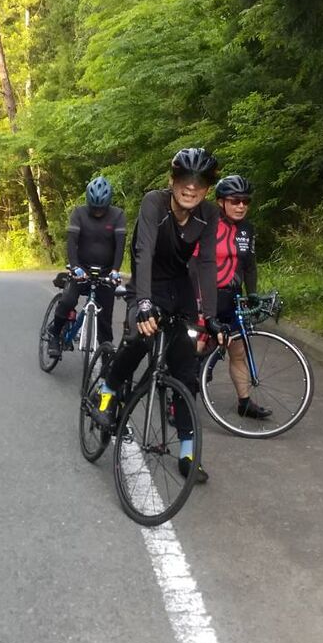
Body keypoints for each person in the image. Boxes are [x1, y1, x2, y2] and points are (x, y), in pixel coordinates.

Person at [88, 148, 224, 483]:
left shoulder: (209, 214)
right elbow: (144, 252)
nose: (191, 187)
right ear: (172, 180)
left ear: (207, 188)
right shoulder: (154, 203)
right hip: (148, 281)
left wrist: (210, 316)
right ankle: (107, 392)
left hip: (180, 286)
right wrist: (144, 303)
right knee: (139, 336)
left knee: (186, 370)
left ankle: (188, 453)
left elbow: (207, 263)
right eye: (185, 179)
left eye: (200, 182)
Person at [209, 174, 272, 420]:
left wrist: (252, 292)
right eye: (235, 201)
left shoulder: (247, 229)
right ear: (221, 202)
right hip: (208, 297)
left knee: (238, 352)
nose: (241, 206)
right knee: (199, 350)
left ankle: (244, 402)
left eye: (246, 201)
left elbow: (249, 265)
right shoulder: (208, 225)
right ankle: (178, 400)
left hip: (233, 299)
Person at [48, 176, 126, 356]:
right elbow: (71, 242)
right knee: (67, 301)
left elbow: (120, 246)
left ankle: (106, 358)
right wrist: (75, 266)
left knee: (105, 320)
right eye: (94, 208)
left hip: (106, 271)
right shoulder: (79, 213)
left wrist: (115, 270)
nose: (97, 212)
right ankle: (54, 334)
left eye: (101, 209)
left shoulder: (118, 215)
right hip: (81, 268)